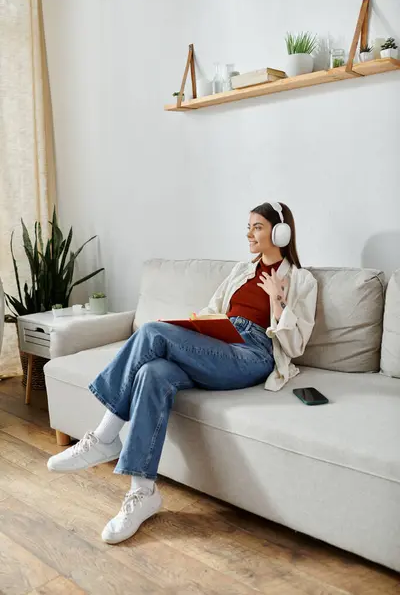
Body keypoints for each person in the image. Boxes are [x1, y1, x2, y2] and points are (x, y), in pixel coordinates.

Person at [47, 201, 317, 544]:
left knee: (150, 332)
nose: (249, 234)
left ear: (280, 232)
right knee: (153, 373)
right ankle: (143, 492)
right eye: (247, 226)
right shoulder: (240, 272)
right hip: (220, 343)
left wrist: (277, 301)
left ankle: (103, 437)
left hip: (254, 353)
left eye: (257, 227)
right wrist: (193, 329)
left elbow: (295, 347)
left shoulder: (301, 280)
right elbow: (211, 311)